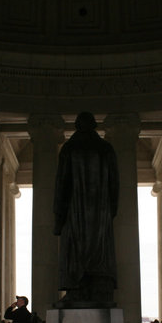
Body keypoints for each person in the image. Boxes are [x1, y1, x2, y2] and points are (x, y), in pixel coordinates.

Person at [53, 111, 119, 306]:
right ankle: (99, 289)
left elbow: (61, 185)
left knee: (75, 249)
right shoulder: (106, 149)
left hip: (75, 211)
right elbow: (115, 186)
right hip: (100, 212)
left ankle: (76, 289)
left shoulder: (70, 149)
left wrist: (58, 217)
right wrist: (110, 211)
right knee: (99, 250)